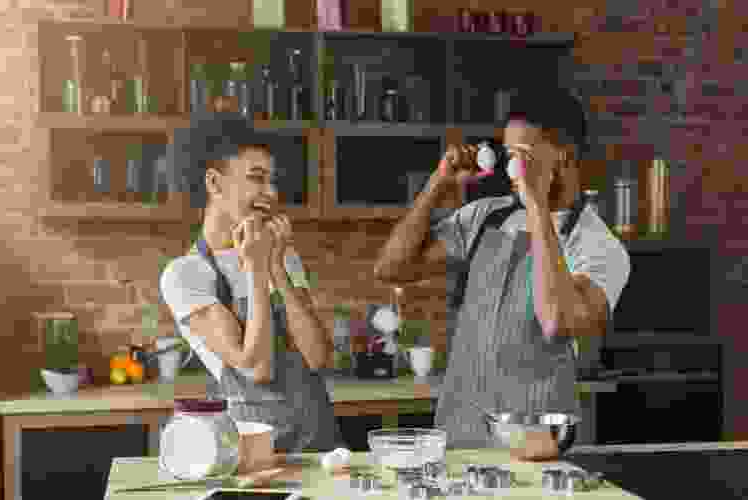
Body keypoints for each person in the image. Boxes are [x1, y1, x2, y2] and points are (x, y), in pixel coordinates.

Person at [374, 86, 631, 451]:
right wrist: (437, 185)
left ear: (565, 156)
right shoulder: (485, 217)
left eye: (521, 155)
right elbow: (390, 269)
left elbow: (557, 321)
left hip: (535, 443)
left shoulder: (598, 246)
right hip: (458, 437)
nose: (511, 168)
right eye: (508, 154)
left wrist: (537, 206)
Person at [160, 113, 344, 453]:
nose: (270, 193)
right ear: (214, 184)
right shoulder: (186, 275)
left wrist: (276, 266)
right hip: (254, 453)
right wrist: (257, 269)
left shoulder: (281, 256)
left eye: (272, 181)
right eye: (257, 179)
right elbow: (256, 367)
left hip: (320, 444)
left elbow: (318, 356)